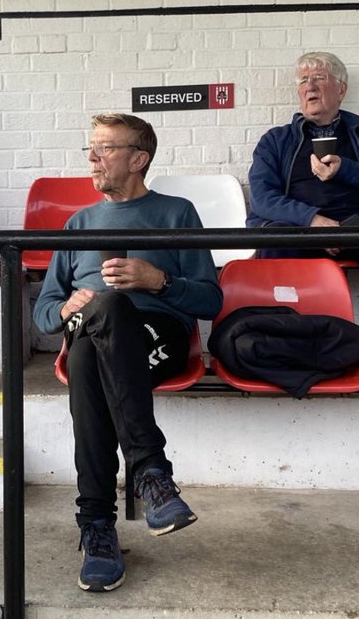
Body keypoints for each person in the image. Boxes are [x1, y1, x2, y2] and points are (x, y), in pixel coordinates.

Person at [33, 113, 222, 594]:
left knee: (100, 331)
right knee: (93, 333)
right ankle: (151, 473)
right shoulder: (77, 224)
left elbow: (211, 300)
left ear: (139, 159)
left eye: (105, 148)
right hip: (91, 338)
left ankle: (97, 528)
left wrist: (157, 280)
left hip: (157, 341)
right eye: (90, 148)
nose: (93, 158)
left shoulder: (177, 213)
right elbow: (43, 311)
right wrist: (67, 307)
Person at [247, 51, 359, 264]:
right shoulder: (277, 139)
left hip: (357, 225)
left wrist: (345, 169)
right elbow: (261, 198)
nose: (310, 86)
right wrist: (311, 219)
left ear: (341, 90)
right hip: (299, 227)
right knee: (275, 239)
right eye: (303, 80)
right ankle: (285, 299)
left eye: (319, 78)